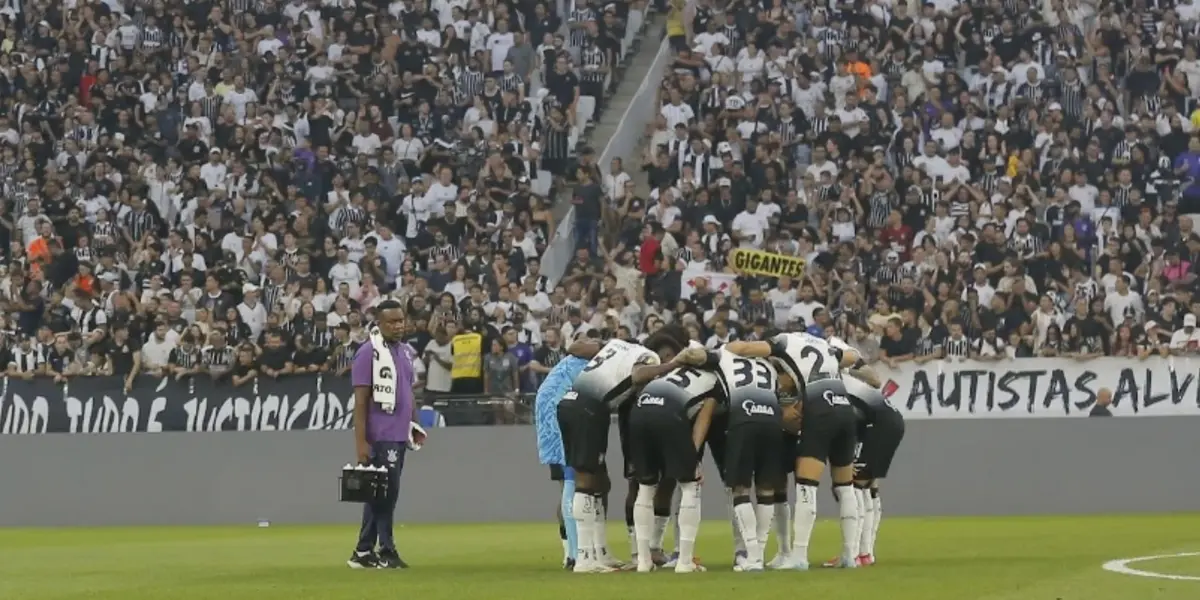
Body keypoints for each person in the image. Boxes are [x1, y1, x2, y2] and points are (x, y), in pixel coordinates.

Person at [555, 326, 698, 573]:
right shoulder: (647, 356)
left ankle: (598, 553)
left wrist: (601, 343)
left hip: (569, 403)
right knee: (586, 480)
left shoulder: (613, 346)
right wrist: (673, 364)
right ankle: (585, 559)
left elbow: (574, 347)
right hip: (589, 409)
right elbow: (639, 375)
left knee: (596, 480)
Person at [721, 332, 862, 570]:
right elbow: (852, 357)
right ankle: (850, 554)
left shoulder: (784, 341)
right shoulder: (821, 345)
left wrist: (726, 346)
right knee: (845, 487)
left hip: (820, 408)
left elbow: (743, 350)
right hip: (845, 409)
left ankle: (799, 555)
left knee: (806, 484)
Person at [348, 300, 426, 569]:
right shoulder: (368, 352)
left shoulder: (405, 351)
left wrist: (414, 424)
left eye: (401, 320)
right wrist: (361, 444)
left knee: (379, 493)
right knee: (386, 494)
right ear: (379, 324)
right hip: (380, 434)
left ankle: (363, 551)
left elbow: (408, 390)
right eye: (391, 321)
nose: (398, 325)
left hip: (399, 433)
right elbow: (360, 401)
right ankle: (387, 550)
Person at [629, 342, 720, 573]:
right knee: (690, 486)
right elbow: (704, 419)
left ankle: (643, 560)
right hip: (669, 413)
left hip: (640, 410)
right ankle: (685, 561)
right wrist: (693, 456)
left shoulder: (672, 370)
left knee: (646, 487)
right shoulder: (715, 380)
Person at [697, 347, 790, 572]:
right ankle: (760, 552)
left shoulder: (726, 366)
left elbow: (708, 410)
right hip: (772, 422)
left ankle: (753, 556)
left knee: (740, 489)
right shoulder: (768, 367)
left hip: (743, 422)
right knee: (766, 489)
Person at [533, 329, 604, 570]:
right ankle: (576, 552)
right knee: (572, 481)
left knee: (569, 483)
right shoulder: (589, 358)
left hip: (554, 412)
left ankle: (572, 552)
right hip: (558, 414)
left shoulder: (573, 364)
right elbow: (577, 346)